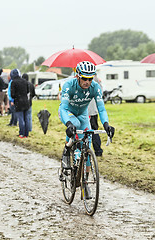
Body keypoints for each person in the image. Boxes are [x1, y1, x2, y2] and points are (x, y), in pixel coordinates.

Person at [58, 61, 115, 199]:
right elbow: (64, 107)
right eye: (84, 78)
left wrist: (106, 124)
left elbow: (101, 108)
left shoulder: (95, 87)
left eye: (90, 78)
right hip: (68, 113)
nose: (87, 82)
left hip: (83, 115)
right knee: (75, 124)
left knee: (87, 144)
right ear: (77, 76)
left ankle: (85, 183)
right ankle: (67, 150)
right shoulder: (68, 86)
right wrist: (69, 124)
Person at [10, 69, 30, 138]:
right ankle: (26, 134)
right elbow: (27, 91)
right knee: (26, 118)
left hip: (18, 102)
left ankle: (21, 133)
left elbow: (12, 94)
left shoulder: (13, 82)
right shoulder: (25, 81)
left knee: (21, 118)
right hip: (26, 102)